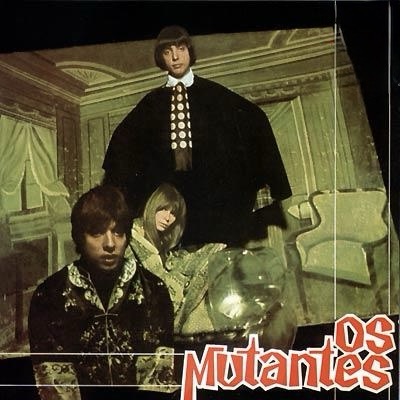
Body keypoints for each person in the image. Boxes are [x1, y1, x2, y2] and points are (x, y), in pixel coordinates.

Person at [102, 25, 292, 247]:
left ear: (190, 51)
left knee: (213, 254)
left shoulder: (215, 94)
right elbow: (122, 143)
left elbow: (255, 120)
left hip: (209, 195)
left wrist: (271, 181)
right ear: (161, 59)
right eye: (167, 52)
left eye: (181, 49)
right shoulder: (151, 103)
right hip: (170, 200)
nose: (175, 57)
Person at [28, 185, 176, 400]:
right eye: (97, 233)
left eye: (118, 232)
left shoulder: (153, 290)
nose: (110, 244)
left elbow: (157, 380)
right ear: (80, 237)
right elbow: (56, 386)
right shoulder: (50, 295)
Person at [127, 182, 226, 334]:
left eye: (173, 213)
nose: (167, 218)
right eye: (163, 209)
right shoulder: (133, 237)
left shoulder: (163, 244)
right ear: (152, 207)